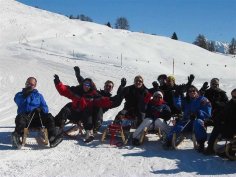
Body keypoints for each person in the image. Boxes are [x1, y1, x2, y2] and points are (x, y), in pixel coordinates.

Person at [54, 74, 118, 143]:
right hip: (83, 114)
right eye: (107, 86)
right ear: (104, 86)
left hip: (95, 117)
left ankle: (89, 131)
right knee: (69, 106)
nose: (108, 87)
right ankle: (55, 126)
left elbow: (106, 101)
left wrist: (115, 98)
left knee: (92, 109)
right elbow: (68, 89)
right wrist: (59, 82)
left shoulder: (97, 95)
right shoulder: (96, 92)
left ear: (112, 88)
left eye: (110, 86)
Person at [11, 77, 63, 149]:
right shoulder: (19, 95)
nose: (29, 85)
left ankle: (52, 137)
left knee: (49, 116)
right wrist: (25, 95)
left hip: (38, 117)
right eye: (28, 83)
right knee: (20, 118)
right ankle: (16, 137)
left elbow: (45, 107)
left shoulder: (39, 95)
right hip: (26, 117)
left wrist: (41, 109)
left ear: (35, 86)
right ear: (26, 83)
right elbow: (18, 101)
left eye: (32, 84)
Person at [163, 85, 212, 152]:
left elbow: (207, 111)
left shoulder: (202, 99)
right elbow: (178, 105)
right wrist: (177, 95)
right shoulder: (186, 100)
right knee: (179, 127)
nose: (192, 92)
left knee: (198, 122)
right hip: (186, 120)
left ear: (197, 91)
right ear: (188, 93)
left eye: (193, 91)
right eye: (190, 91)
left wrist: (198, 113)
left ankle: (201, 143)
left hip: (197, 119)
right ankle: (169, 140)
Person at [204, 88, 236, 155]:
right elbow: (221, 115)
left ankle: (231, 149)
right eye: (234, 97)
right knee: (217, 126)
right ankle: (210, 147)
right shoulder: (230, 104)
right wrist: (214, 120)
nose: (235, 98)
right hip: (231, 127)